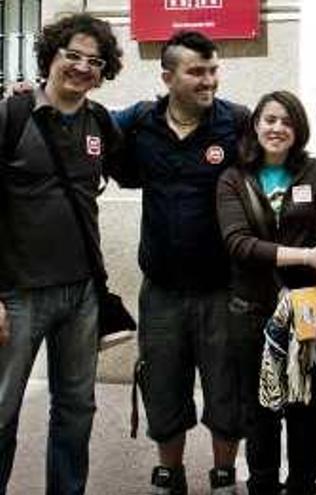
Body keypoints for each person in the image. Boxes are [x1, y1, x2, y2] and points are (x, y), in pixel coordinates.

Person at [110, 31, 250, 494]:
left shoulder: (237, 123)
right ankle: (170, 474)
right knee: (163, 385)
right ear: (168, 76)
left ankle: (224, 476)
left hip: (223, 288)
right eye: (196, 72)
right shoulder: (140, 123)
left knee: (226, 387)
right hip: (162, 290)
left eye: (213, 70)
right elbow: (93, 128)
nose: (208, 80)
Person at [0, 13, 123, 494]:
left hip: (83, 295)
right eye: (72, 55)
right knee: (3, 410)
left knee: (76, 411)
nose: (81, 67)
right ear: (50, 55)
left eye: (94, 61)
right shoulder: (11, 117)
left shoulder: (101, 124)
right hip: (18, 294)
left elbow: (146, 159)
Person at [216, 90, 316, 495]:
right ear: (256, 125)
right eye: (269, 119)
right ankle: (263, 486)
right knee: (260, 411)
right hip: (251, 313)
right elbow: (239, 245)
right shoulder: (233, 179)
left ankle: (304, 486)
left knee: (305, 408)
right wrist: (305, 255)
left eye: (287, 121)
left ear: (298, 130)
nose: (277, 128)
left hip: (308, 313)